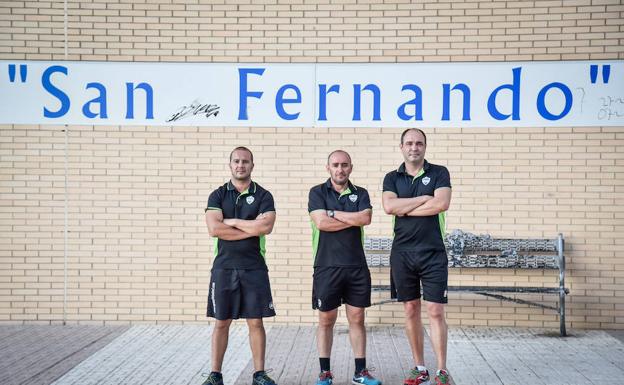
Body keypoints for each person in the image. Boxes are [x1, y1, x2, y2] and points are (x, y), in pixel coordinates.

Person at [381, 129, 452, 385]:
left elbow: (441, 204)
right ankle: (419, 367)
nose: (414, 147)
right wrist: (423, 198)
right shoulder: (392, 177)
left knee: (435, 311)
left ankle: (442, 370)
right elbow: (389, 207)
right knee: (411, 309)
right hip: (402, 254)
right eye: (409, 143)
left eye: (419, 143)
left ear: (425, 147)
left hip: (433, 253)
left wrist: (405, 207)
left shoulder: (439, 172)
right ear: (401, 147)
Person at [203, 146, 278, 385]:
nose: (241, 165)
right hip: (224, 267)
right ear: (230, 165)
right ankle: (215, 375)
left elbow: (265, 227)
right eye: (236, 161)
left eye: (245, 161)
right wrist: (249, 227)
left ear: (252, 165)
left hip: (254, 266)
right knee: (221, 322)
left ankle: (259, 374)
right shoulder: (217, 195)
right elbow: (214, 229)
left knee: (256, 321)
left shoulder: (264, 195)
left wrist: (233, 222)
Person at [308, 150, 381, 385]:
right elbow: (321, 223)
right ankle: (325, 373)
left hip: (356, 266)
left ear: (351, 167)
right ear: (327, 167)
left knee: (357, 318)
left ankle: (360, 372)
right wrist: (350, 218)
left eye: (345, 165)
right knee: (326, 320)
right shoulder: (317, 192)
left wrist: (333, 214)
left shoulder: (361, 193)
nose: (340, 169)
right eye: (336, 165)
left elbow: (365, 219)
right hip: (327, 266)